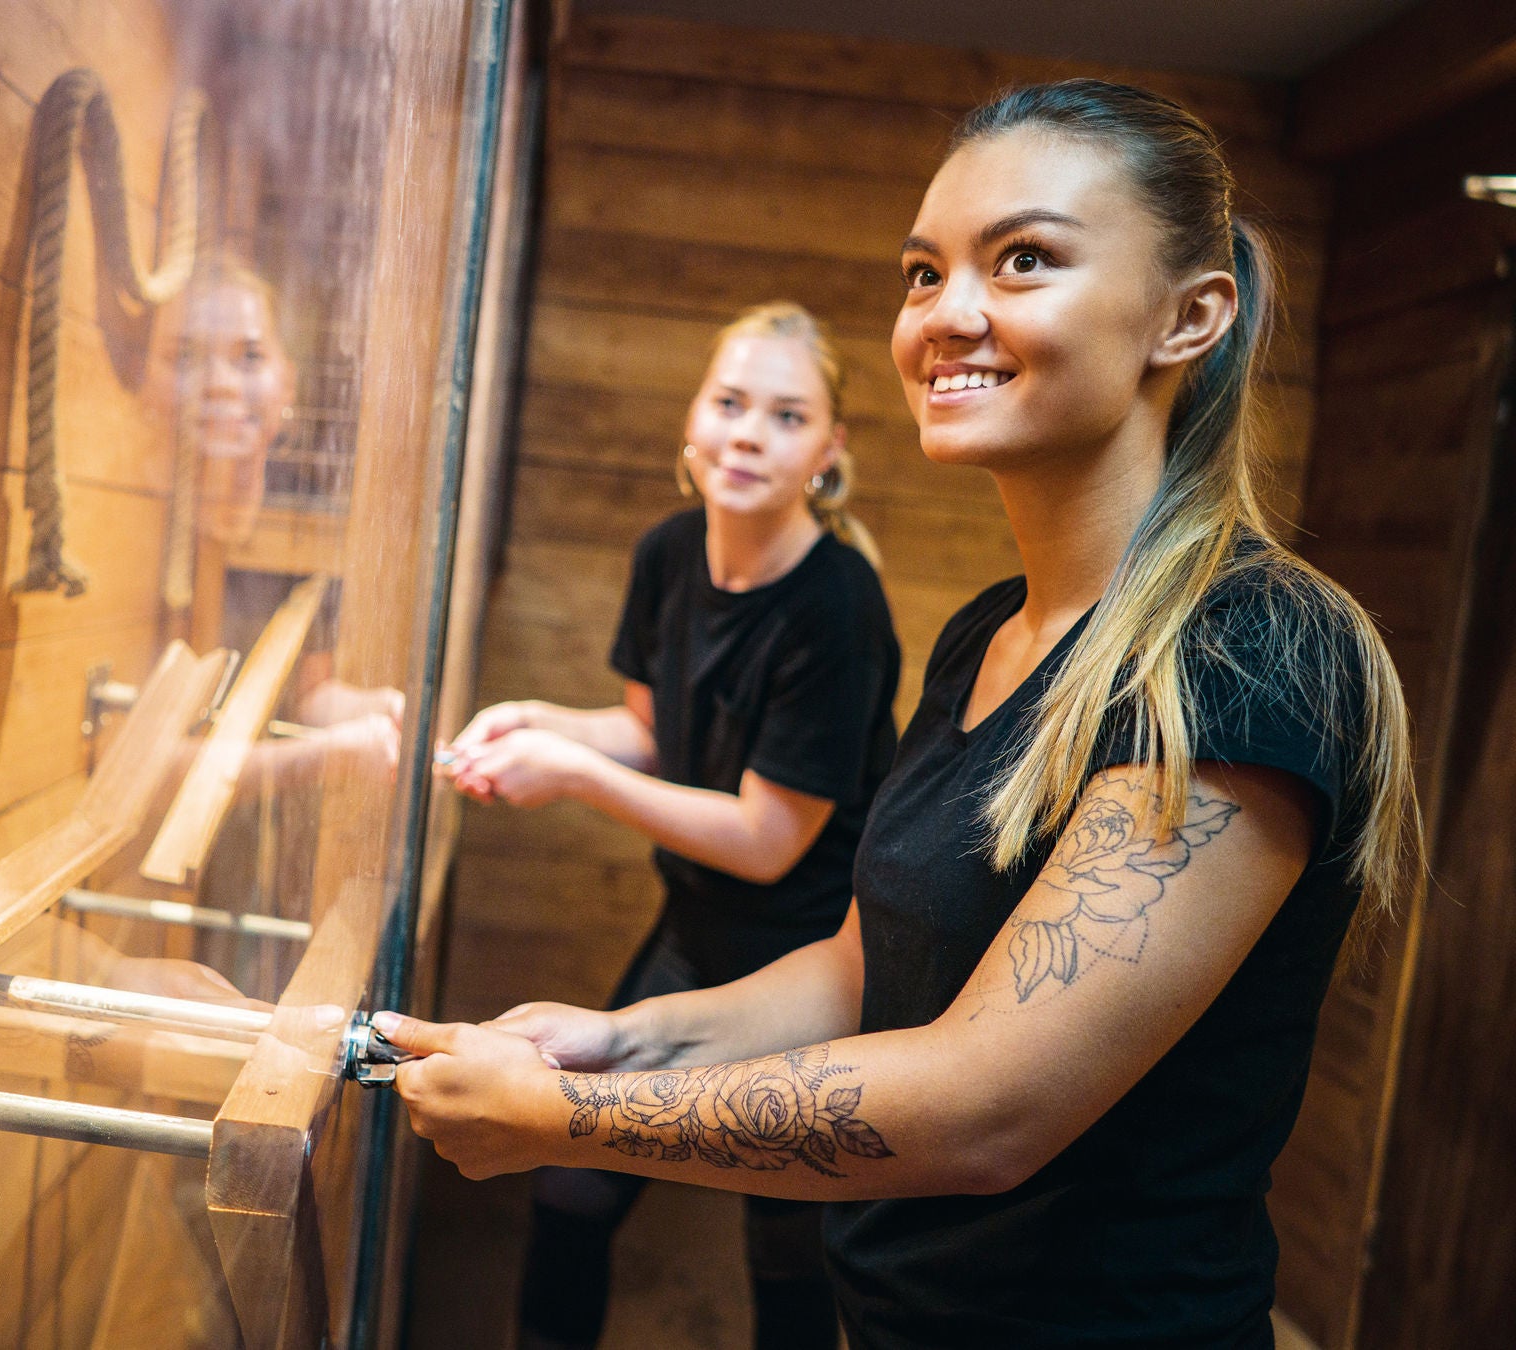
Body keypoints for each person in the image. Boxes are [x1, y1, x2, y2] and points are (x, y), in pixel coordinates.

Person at [384, 79, 1422, 1349]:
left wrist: (568, 1122)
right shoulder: (986, 632)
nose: (949, 315)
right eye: (922, 273)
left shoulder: (1255, 647)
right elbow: (864, 965)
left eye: (1023, 260)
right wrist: (616, 1042)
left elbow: (989, 1106)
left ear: (1187, 317)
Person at [441, 302, 902, 1348]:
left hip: (808, 962)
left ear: (827, 454)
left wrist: (567, 776)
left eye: (785, 417)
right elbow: (650, 735)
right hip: (691, 935)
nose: (747, 433)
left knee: (784, 1253)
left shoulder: (836, 608)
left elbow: (765, 838)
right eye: (728, 403)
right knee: (569, 1189)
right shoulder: (665, 555)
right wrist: (540, 723)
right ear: (691, 424)